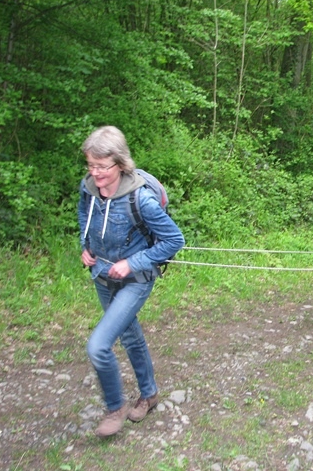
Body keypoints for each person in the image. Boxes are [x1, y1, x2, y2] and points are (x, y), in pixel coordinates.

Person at [78, 126, 185, 437]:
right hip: (101, 273)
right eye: (90, 165)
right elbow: (84, 216)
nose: (95, 173)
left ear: (120, 163)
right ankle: (149, 394)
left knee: (98, 346)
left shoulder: (140, 199)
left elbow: (174, 239)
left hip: (136, 278)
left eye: (101, 166)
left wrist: (132, 263)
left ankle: (115, 408)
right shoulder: (88, 187)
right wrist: (84, 246)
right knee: (129, 334)